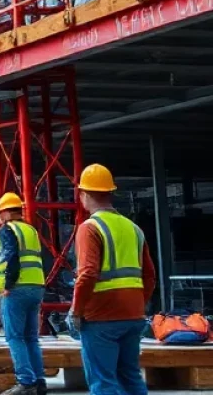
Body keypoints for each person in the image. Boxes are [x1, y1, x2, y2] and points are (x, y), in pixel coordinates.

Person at [68, 165, 155, 395]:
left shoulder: (90, 228)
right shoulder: (134, 228)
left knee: (103, 382)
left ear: (84, 194)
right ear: (110, 192)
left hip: (101, 317)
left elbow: (87, 273)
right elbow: (149, 275)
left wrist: (76, 311)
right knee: (131, 377)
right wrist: (137, 302)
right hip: (133, 315)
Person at [0, 193, 46, 395]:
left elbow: (12, 257)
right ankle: (39, 382)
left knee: (15, 337)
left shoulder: (8, 229)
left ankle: (26, 382)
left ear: (6, 212)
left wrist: (8, 284)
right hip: (36, 285)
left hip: (18, 288)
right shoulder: (30, 229)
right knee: (31, 337)